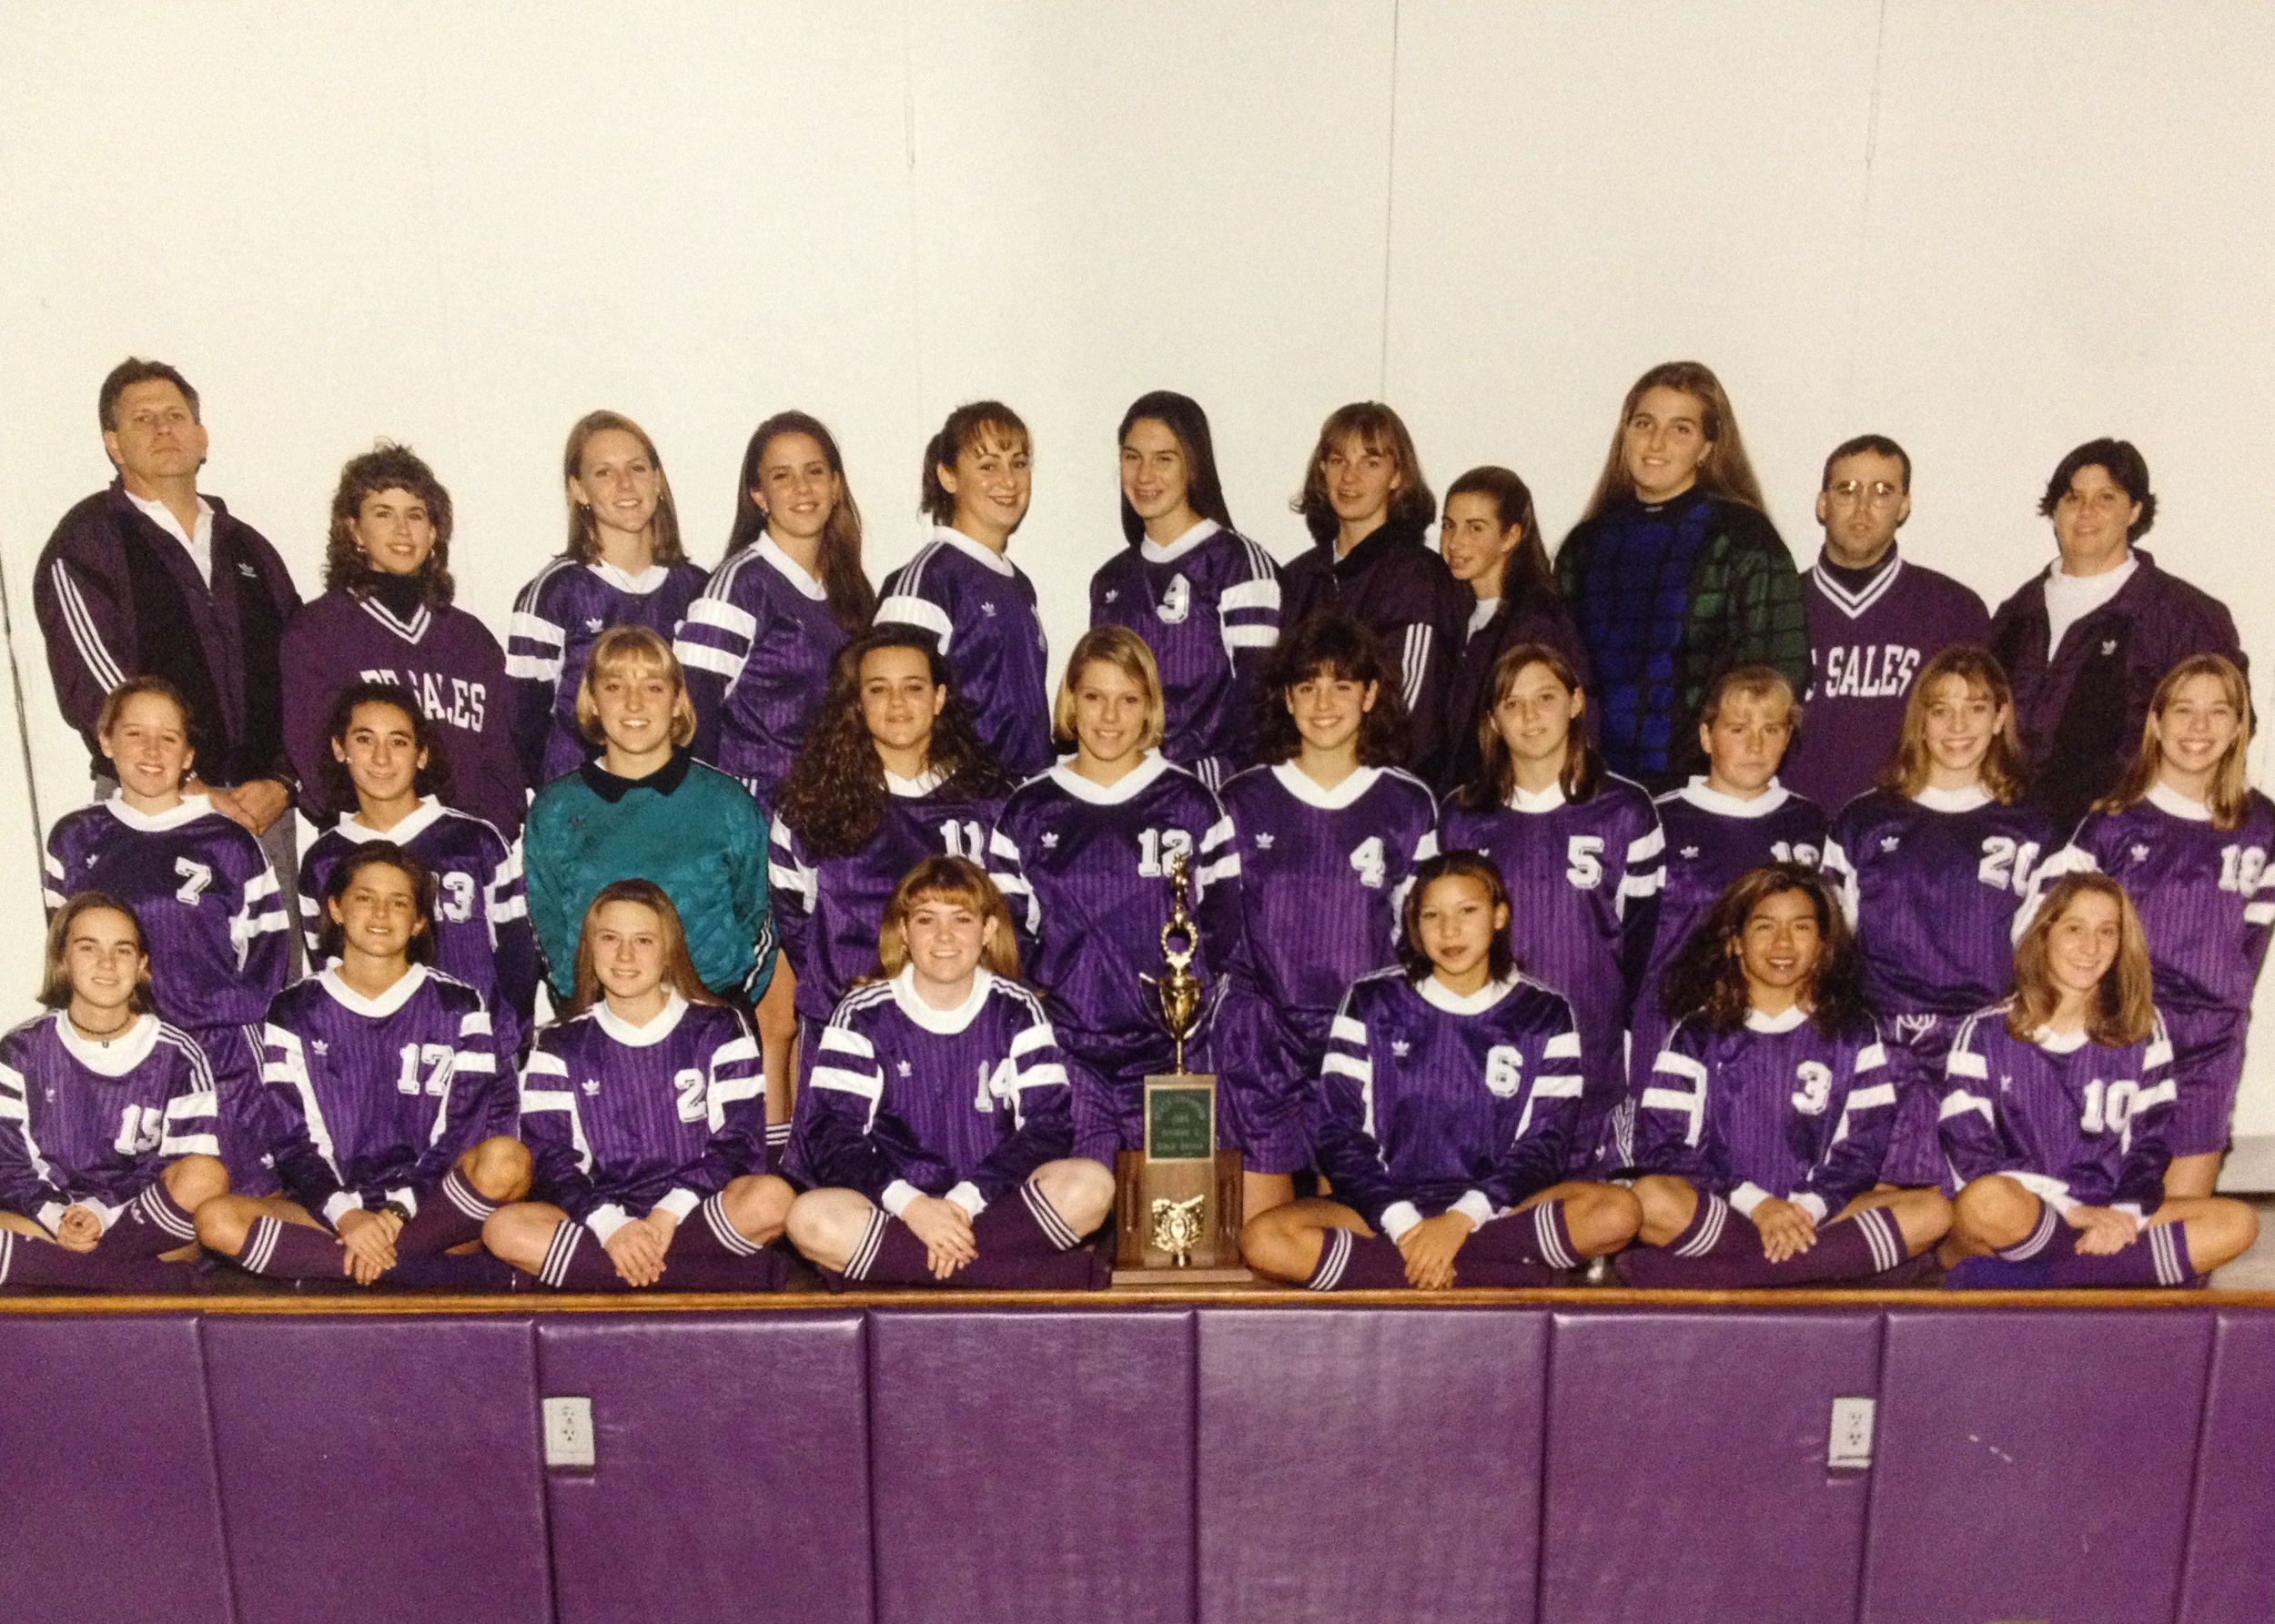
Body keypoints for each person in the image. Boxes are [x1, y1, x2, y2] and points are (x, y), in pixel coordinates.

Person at [1240, 853, 1641, 1290]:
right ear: (1414, 927)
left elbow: (1546, 1146)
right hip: (1383, 1210)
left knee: (1617, 1212)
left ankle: (1411, 1272)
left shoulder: (1544, 1012)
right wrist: (1406, 1224)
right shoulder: (1371, 1001)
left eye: (1467, 911)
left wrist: (1459, 1221)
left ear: (1500, 916)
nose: (1450, 931)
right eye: (1432, 916)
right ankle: (1488, 1271)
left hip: (1495, 1214)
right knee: (1263, 1239)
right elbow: (1338, 1134)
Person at [193, 845, 532, 1286]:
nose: (381, 913)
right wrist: (348, 1216)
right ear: (335, 908)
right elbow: (292, 1142)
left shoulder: (459, 1003)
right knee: (216, 1220)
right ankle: (416, 1270)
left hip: (428, 1206)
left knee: (509, 1161)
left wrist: (397, 1212)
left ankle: (344, 1268)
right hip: (333, 1211)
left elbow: (461, 1131)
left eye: (399, 902)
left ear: (419, 922)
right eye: (364, 898)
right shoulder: (292, 1009)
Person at [35, 358, 301, 914]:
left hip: (260, 813)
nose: (163, 429)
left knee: (272, 986)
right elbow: (101, 688)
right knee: (151, 982)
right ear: (114, 444)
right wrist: (192, 784)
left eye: (176, 415)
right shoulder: (87, 544)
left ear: (202, 438)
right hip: (148, 807)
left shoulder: (250, 549)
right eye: (142, 419)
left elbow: (300, 676)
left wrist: (284, 780)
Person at [784, 857, 1113, 1288]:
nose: (944, 937)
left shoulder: (1017, 1008)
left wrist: (962, 1202)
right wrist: (914, 1207)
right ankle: (1017, 1271)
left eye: (961, 919)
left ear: (988, 931)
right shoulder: (862, 1013)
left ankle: (904, 1270)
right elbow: (831, 1133)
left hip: (990, 1204)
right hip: (897, 1210)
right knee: (808, 1218)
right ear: (903, 932)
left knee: (1093, 1185)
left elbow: (1047, 1127)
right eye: (925, 920)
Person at [1621, 865, 1948, 1286]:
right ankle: (1820, 1267)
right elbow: (1663, 1145)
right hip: (1728, 1210)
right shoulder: (1697, 1034)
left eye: (1801, 927)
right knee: (1649, 1199)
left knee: (1933, 1211)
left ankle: (1734, 1273)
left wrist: (1806, 1208)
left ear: (1823, 946)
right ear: (1735, 942)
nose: (1782, 943)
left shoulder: (1854, 1032)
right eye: (1764, 926)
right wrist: (1758, 1205)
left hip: (1818, 1213)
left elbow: (1862, 1150)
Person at [987, 626, 1241, 1166]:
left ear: (1150, 708)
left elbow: (1224, 928)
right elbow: (1010, 940)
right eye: (1094, 697)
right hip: (1069, 1050)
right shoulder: (1028, 809)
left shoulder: (1193, 804)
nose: (1109, 717)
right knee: (1077, 1203)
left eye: (1128, 700)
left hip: (1174, 1049)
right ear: (1070, 702)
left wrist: (1195, 1026)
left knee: (1177, 1224)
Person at [2023, 655, 2272, 1198]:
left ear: (2238, 727)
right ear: (2156, 723)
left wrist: (2221, 1011)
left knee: (2181, 1224)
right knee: (2101, 1207)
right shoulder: (2113, 823)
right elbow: (2045, 930)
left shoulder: (2262, 826)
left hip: (2209, 1046)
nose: (2199, 728)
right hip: (2122, 1034)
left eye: (2218, 712)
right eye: (2183, 711)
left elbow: (2251, 945)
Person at [1213, 613, 1436, 1214]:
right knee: (1262, 1239)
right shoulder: (1241, 799)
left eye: (1342, 685)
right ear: (1286, 697)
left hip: (1363, 1035)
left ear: (1369, 695)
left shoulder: (1407, 804)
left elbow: (1423, 940)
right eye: (1307, 685)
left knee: (1347, 1236)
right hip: (1262, 1038)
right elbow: (1214, 930)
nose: (1324, 702)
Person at [1941, 873, 2257, 1287]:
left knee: (2238, 1222)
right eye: (2075, 928)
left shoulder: (2142, 1030)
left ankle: (2033, 1277)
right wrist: (2072, 1211)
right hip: (2027, 1212)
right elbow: (1971, 1155)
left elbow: (2150, 1145)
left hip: (2106, 1207)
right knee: (1984, 1202)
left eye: (2107, 932)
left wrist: (2124, 1214)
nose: (2090, 948)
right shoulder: (1984, 1032)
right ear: (2044, 933)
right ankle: (2116, 1271)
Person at [1820, 648, 2059, 1187]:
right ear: (1919, 720)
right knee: (1886, 1202)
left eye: (1975, 708)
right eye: (1940, 708)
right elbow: (1832, 949)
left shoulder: (2034, 829)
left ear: (2000, 718)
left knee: (1981, 1206)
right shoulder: (1865, 819)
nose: (1957, 726)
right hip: (1885, 1042)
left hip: (1982, 1044)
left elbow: (2045, 961)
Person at [43, 676, 288, 1195]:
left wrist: (226, 1020)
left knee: (231, 1203)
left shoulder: (229, 840)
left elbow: (268, 951)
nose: (152, 751)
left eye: (169, 737)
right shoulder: (76, 838)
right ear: (106, 742)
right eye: (135, 734)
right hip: (122, 1056)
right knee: (125, 1201)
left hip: (217, 1051)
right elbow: (67, 955)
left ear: (189, 753)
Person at [486, 882, 794, 1291]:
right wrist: (613, 1227)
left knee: (772, 1198)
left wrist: (667, 1215)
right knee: (503, 1228)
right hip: (605, 1219)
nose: (625, 955)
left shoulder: (718, 1028)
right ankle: (699, 1274)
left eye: (643, 941)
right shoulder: (559, 1043)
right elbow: (552, 1161)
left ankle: (614, 1275)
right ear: (590, 950)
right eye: (610, 939)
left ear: (668, 952)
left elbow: (739, 1146)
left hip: (695, 1212)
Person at [768, 629, 1014, 1142]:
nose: (897, 703)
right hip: (847, 1034)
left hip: (961, 1038)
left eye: (914, 687)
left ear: (940, 697)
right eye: (878, 689)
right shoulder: (809, 808)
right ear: (857, 703)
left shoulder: (990, 802)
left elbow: (1010, 925)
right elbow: (793, 920)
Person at [1441, 643, 1663, 1164]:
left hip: (1593, 1043)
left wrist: (1629, 1043)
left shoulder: (1626, 811)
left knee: (1588, 1216)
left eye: (1545, 697)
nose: (1530, 716)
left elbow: (1645, 948)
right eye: (1511, 704)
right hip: (1486, 1044)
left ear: (1577, 701)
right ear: (1492, 719)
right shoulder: (1461, 816)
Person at [1553, 361, 1808, 792]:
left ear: (1708, 446)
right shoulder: (1585, 545)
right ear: (1625, 434)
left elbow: (1780, 679)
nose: (1656, 442)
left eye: (1681, 429)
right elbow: (1557, 674)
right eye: (1644, 423)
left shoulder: (1745, 540)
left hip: (1703, 792)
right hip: (1595, 790)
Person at [1988, 438, 2244, 831]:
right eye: (2072, 497)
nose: (2086, 512)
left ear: (2135, 510)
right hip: (2005, 841)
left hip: (2123, 846)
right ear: (2054, 510)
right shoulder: (2015, 615)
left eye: (2106, 498)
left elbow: (2227, 729)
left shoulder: (2183, 615)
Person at [279, 441, 525, 840]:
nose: (402, 530)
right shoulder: (319, 630)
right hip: (371, 853)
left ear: (434, 532)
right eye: (383, 513)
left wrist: (481, 840)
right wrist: (376, 837)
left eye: (416, 515)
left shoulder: (471, 639)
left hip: (464, 852)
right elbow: (316, 761)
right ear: (354, 529)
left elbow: (503, 767)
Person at [522, 628, 774, 1013]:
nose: (634, 704)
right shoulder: (555, 808)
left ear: (677, 701)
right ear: (592, 701)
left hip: (709, 1022)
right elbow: (548, 928)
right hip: (599, 1026)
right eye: (614, 687)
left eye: (653, 688)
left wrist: (721, 1008)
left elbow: (756, 917)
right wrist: (584, 1007)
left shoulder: (727, 804)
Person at [297, 682, 537, 1079]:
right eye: (364, 739)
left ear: (423, 755)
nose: (381, 757)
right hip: (377, 1062)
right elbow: (330, 965)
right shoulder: (324, 860)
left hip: (474, 1056)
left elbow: (518, 953)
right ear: (341, 749)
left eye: (399, 742)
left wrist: (506, 1039)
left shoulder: (476, 842)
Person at [1630, 667, 1828, 1135]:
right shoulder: (1654, 822)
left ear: (1788, 738)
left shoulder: (1810, 824)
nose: (1755, 746)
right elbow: (1625, 940)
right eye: (1738, 730)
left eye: (1771, 730)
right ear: (1706, 736)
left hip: (1775, 1036)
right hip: (1671, 1031)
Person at [0, 894, 228, 1292]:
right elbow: (10, 1168)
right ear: (62, 960)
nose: (107, 963)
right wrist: (59, 1217)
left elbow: (181, 1164)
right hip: (48, 1219)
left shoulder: (179, 1054)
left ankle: (63, 1271)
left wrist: (100, 1214)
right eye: (88, 947)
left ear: (142, 965)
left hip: (137, 1221)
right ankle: (127, 1278)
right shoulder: (20, 1052)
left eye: (122, 950)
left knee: (206, 1176)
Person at [1779, 435, 1992, 812]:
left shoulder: (1954, 608)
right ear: (1823, 504)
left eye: (1881, 491)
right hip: (1796, 829)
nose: (1862, 507)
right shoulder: (1775, 604)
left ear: (1904, 506)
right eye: (1846, 490)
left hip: (1907, 830)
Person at [677, 409, 876, 810]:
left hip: (835, 809)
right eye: (782, 476)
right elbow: (689, 718)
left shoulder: (851, 586)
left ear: (836, 485)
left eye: (815, 472)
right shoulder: (739, 586)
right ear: (759, 496)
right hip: (757, 812)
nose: (802, 488)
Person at [1088, 390, 1281, 788]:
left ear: (1193, 465)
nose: (1144, 475)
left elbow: (1262, 710)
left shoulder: (1240, 566)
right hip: (1129, 795)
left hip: (1213, 799)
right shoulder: (1110, 581)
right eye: (1132, 456)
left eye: (1164, 459)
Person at [508, 411, 709, 789]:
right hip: (583, 809)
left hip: (674, 801)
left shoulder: (698, 590)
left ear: (658, 480)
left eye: (637, 468)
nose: (625, 484)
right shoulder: (553, 593)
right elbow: (523, 724)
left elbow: (707, 716)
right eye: (604, 472)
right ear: (579, 490)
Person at [1279, 402, 1466, 774]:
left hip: (1387, 790)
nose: (1350, 478)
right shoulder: (1296, 578)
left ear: (1398, 476)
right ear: (1322, 470)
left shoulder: (1417, 577)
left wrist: (1352, 783)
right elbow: (1275, 698)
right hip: (1303, 790)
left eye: (1371, 462)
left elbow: (1412, 707)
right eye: (1338, 461)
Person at [875, 401, 1053, 777]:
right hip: (964, 806)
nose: (1008, 480)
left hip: (1025, 805)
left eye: (1018, 463)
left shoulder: (1019, 584)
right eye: (987, 466)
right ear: (948, 476)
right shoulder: (929, 579)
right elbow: (889, 714)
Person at [1433, 465, 1589, 795]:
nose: (1455, 542)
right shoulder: (1458, 613)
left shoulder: (1534, 622)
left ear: (1510, 536)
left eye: (1475, 528)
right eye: (1449, 526)